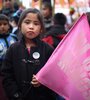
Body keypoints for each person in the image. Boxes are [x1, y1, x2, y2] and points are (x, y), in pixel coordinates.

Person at [1, 8, 57, 100]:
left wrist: (42, 81)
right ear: (19, 26)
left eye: (36, 23)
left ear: (41, 29)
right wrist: (16, 95)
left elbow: (54, 75)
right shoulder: (13, 49)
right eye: (27, 22)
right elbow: (6, 75)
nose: (31, 27)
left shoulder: (48, 49)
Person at [0, 14, 17, 100]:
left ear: (8, 25)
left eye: (5, 24)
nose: (2, 26)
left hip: (14, 71)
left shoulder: (14, 37)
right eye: (0, 24)